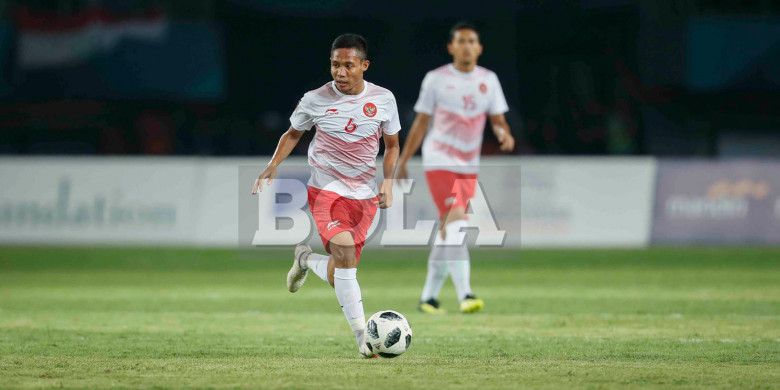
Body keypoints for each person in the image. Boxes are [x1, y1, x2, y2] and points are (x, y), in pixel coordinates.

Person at [251, 33, 401, 358]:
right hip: (326, 191)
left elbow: (392, 146)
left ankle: (305, 259)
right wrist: (272, 166)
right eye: (335, 65)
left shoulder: (384, 100)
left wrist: (388, 181)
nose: (340, 72)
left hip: (363, 196)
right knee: (345, 255)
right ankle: (364, 338)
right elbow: (293, 134)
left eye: (348, 65)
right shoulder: (315, 99)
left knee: (342, 272)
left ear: (364, 65)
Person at [396, 22, 515, 314]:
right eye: (460, 41)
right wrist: (404, 160)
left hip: (468, 164)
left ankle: (429, 298)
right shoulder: (436, 80)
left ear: (479, 47)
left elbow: (497, 120)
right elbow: (421, 122)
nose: (466, 46)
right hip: (439, 160)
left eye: (472, 41)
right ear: (451, 47)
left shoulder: (489, 80)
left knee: (449, 230)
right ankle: (466, 294)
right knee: (458, 221)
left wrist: (504, 133)